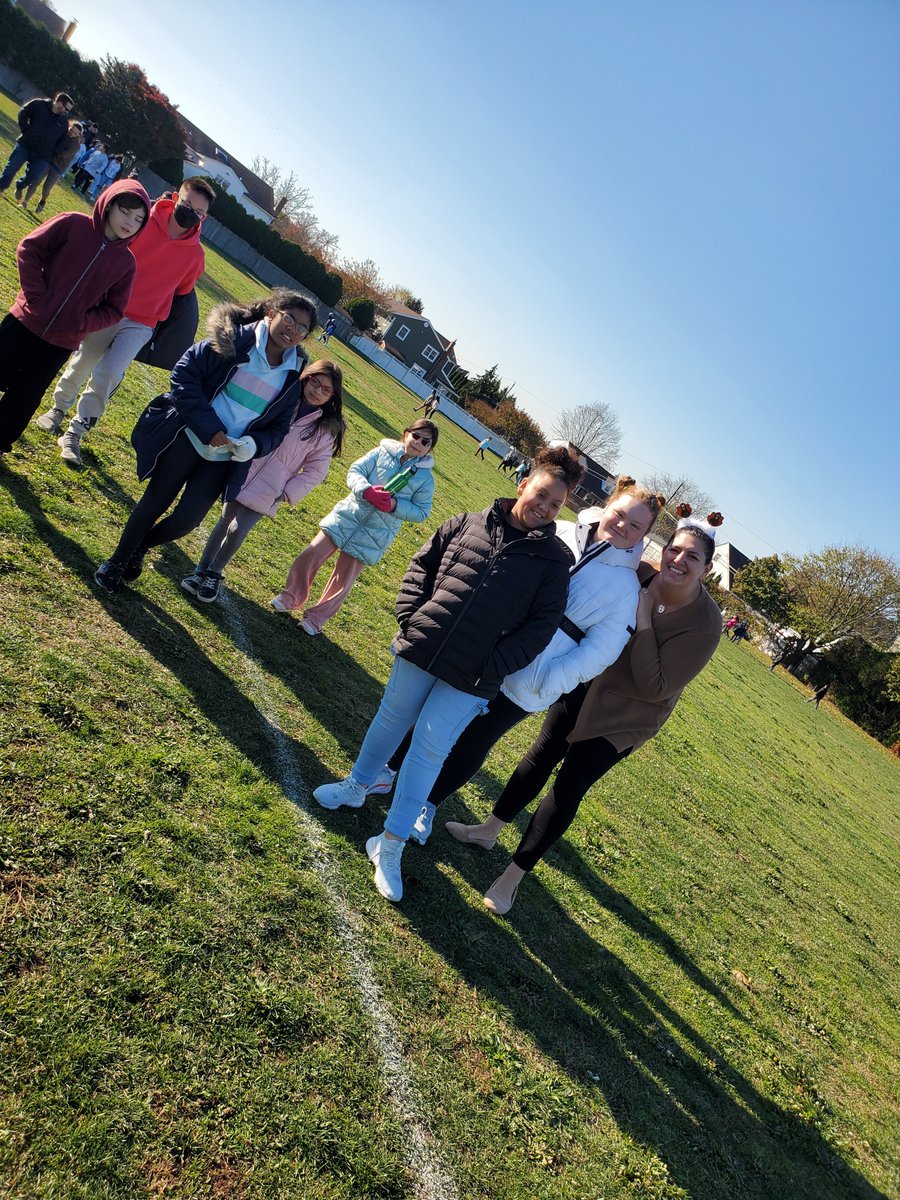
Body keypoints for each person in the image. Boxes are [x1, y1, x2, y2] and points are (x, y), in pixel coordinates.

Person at [313, 446, 585, 903]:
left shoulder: (556, 561)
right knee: (390, 720)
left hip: (473, 677)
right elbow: (422, 565)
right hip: (422, 647)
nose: (544, 507)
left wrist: (493, 666)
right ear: (522, 485)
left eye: (555, 504)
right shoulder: (467, 521)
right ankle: (356, 786)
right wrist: (411, 617)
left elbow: (541, 627)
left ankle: (391, 842)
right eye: (540, 494)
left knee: (428, 750)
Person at [446, 508, 725, 915]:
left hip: (626, 717)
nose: (678, 561)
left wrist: (644, 619)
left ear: (706, 567)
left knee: (568, 786)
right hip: (587, 685)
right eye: (674, 550)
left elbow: (656, 685)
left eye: (692, 557)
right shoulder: (642, 574)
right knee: (539, 756)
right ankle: (488, 831)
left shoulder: (706, 622)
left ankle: (511, 879)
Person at [377, 478, 667, 843]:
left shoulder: (626, 588)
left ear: (645, 534)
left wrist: (547, 680)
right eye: (620, 514)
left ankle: (428, 803)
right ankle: (388, 771)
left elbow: (599, 652)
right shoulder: (556, 532)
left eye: (635, 525)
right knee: (435, 718)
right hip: (483, 653)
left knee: (473, 740)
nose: (623, 526)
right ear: (607, 507)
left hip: (527, 679)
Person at [93, 289, 315, 591]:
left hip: (225, 457)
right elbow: (184, 375)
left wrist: (254, 444)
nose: (294, 330)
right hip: (189, 437)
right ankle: (117, 561)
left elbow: (278, 428)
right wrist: (208, 427)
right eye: (291, 319)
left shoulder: (293, 374)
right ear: (272, 313)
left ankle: (140, 547)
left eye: (303, 328)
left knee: (188, 521)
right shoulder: (232, 340)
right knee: (154, 502)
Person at [36, 177, 216, 467]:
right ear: (175, 196)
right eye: (186, 204)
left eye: (197, 211)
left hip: (142, 323)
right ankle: (58, 409)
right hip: (108, 307)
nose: (189, 213)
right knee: (84, 360)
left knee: (109, 373)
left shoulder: (195, 255)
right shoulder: (142, 220)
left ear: (204, 217)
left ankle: (77, 430)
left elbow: (182, 290)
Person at [0, 180, 150, 458]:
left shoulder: (126, 263)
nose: (131, 222)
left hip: (60, 342)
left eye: (140, 219)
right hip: (24, 322)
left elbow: (114, 310)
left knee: (26, 396)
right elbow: (29, 249)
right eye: (126, 212)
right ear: (109, 204)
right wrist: (35, 296)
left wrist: (80, 323)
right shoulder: (73, 224)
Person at [181, 359, 345, 603]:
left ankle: (214, 573)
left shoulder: (324, 430)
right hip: (243, 470)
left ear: (333, 396)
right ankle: (200, 572)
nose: (317, 391)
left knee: (239, 530)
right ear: (306, 377)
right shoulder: (281, 400)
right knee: (224, 521)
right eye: (315, 382)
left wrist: (287, 492)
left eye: (326, 390)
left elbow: (316, 470)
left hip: (272, 488)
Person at [270, 419, 438, 634]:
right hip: (347, 516)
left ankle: (315, 619)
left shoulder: (425, 479)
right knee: (310, 554)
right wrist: (366, 489)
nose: (418, 443)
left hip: (375, 534)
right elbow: (355, 471)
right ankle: (290, 597)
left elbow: (422, 511)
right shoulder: (381, 452)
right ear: (406, 434)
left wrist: (395, 505)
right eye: (416, 436)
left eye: (425, 442)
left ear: (429, 449)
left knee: (343, 580)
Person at [0, 93, 74, 200]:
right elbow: (23, 112)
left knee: (34, 176)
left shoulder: (63, 123)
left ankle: (20, 185)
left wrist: (53, 151)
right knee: (11, 168)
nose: (66, 112)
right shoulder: (40, 104)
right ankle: (1, 187)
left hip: (42, 156)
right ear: (60, 103)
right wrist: (25, 130)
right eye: (66, 109)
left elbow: (62, 141)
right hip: (25, 145)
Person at [23, 119, 84, 213]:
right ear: (69, 126)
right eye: (71, 130)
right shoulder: (62, 133)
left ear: (78, 135)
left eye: (75, 133)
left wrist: (52, 149)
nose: (71, 133)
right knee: (36, 181)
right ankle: (25, 201)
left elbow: (63, 155)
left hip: (58, 168)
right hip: (48, 161)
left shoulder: (76, 146)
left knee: (46, 188)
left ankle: (43, 201)